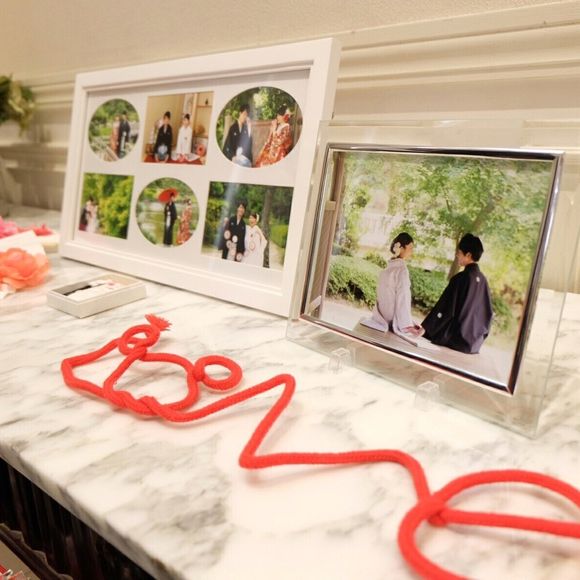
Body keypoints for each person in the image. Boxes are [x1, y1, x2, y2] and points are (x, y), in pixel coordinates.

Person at [422, 233, 493, 354]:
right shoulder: (483, 281)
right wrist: (478, 338)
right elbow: (488, 315)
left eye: (459, 252)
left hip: (456, 341)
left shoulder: (460, 278)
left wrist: (426, 328)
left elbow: (446, 309)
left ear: (468, 255)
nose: (457, 255)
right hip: (473, 345)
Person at [361, 232, 423, 337]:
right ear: (401, 248)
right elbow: (403, 298)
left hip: (381, 315)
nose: (411, 252)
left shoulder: (387, 269)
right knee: (412, 322)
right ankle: (406, 325)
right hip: (392, 318)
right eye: (410, 248)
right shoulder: (402, 270)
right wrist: (407, 325)